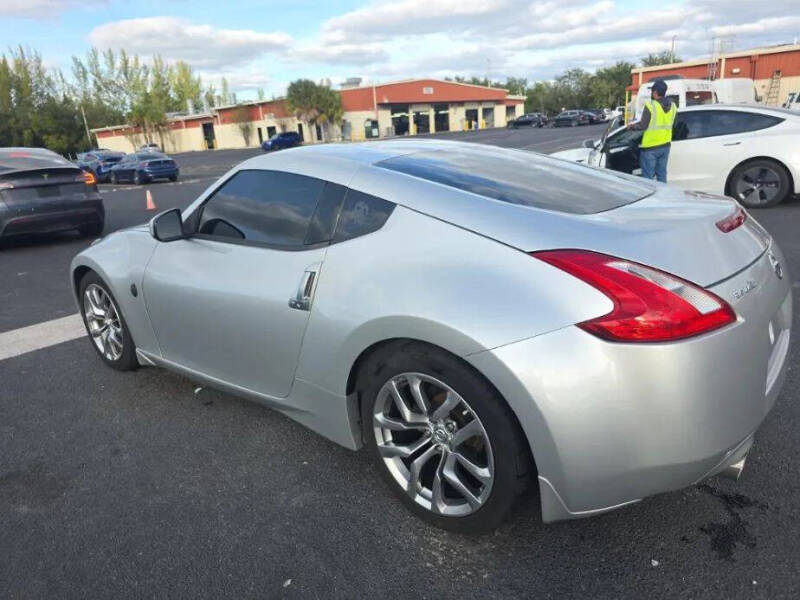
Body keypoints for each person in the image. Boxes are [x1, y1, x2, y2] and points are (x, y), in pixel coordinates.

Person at [627, 79, 676, 183]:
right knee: (662, 175)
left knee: (648, 179)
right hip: (665, 145)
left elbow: (643, 125)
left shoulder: (651, 105)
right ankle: (662, 193)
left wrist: (631, 127)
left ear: (655, 92)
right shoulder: (673, 107)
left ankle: (651, 194)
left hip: (650, 148)